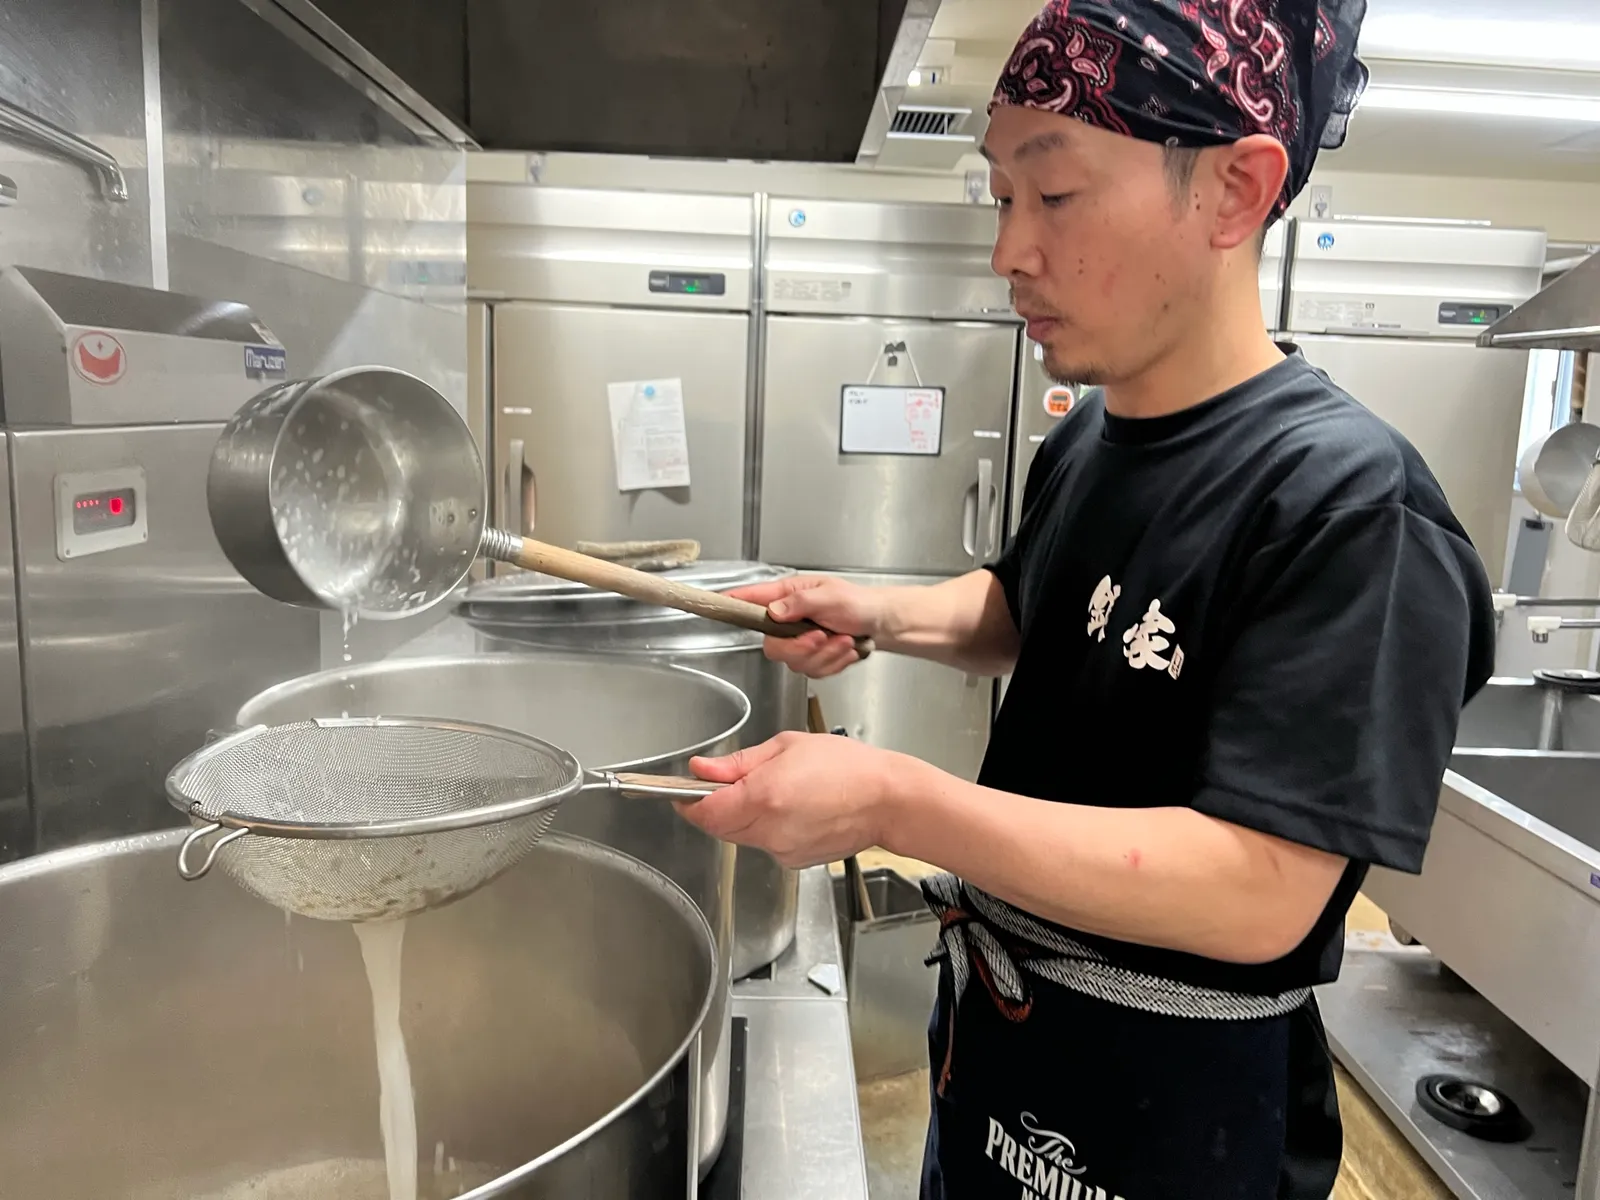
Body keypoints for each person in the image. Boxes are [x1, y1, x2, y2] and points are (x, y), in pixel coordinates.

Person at [675, 1, 1497, 1196]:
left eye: (1051, 195)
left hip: (1176, 1103)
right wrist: (880, 612)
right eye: (998, 198)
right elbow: (1031, 613)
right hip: (1006, 1041)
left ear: (1232, 190)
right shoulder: (1098, 434)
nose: (1009, 251)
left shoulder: (1347, 507)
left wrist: (896, 801)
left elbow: (1261, 890)